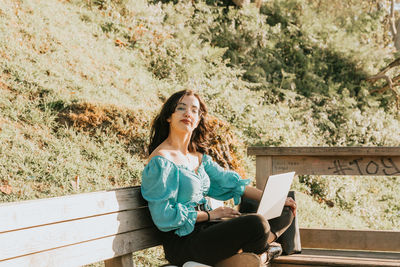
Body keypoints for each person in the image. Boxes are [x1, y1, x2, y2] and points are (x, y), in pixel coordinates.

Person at [141, 90, 297, 266]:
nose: (187, 114)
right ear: (169, 116)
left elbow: (232, 184)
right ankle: (262, 255)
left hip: (209, 230)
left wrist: (278, 200)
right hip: (184, 242)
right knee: (257, 223)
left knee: (284, 212)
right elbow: (164, 216)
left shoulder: (198, 158)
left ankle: (244, 258)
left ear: (198, 120)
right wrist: (210, 214)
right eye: (181, 108)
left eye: (194, 110)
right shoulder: (161, 160)